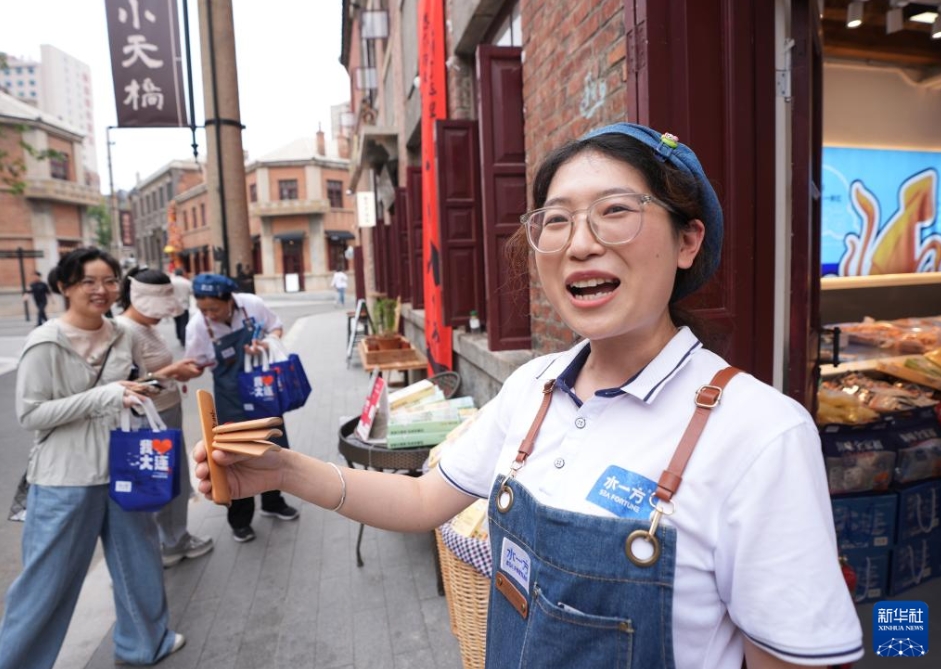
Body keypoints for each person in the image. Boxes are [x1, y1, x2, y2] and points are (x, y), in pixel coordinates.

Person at [193, 123, 864, 668]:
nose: (578, 244)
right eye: (556, 220)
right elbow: (426, 498)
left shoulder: (759, 431)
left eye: (615, 212)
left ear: (688, 240)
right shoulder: (532, 386)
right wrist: (283, 469)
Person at [0, 247, 184, 668]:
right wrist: (104, 396)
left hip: (124, 467)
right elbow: (31, 414)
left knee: (139, 562)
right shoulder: (45, 342)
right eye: (89, 281)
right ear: (65, 287)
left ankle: (144, 644)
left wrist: (143, 391)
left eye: (110, 281)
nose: (101, 290)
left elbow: (129, 385)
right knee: (47, 583)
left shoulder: (123, 333)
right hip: (65, 479)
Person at [185, 273, 299, 543]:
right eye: (203, 309)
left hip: (262, 390)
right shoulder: (197, 326)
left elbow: (276, 327)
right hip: (230, 397)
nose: (209, 314)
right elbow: (195, 361)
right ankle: (240, 519)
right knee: (236, 454)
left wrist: (265, 343)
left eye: (214, 308)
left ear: (230, 301)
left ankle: (273, 502)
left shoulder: (252, 304)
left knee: (272, 443)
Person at [116, 267, 214, 568]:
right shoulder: (125, 330)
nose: (162, 315)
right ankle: (170, 542)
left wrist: (175, 372)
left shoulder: (146, 325)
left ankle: (171, 539)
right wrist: (173, 372)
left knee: (173, 481)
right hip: (150, 418)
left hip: (165, 411)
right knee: (162, 483)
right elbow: (127, 385)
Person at [169, 268, 192, 347]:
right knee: (184, 323)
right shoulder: (186, 282)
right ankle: (183, 339)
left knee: (177, 322)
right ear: (182, 273)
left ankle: (179, 336)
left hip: (173, 305)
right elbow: (191, 291)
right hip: (184, 305)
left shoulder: (171, 282)